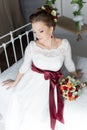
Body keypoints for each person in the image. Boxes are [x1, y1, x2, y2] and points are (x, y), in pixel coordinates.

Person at [2, 5, 82, 130]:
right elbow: (24, 66)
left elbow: (69, 62)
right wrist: (15, 82)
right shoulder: (32, 46)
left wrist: (75, 73)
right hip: (33, 79)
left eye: (41, 31)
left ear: (51, 29)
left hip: (52, 82)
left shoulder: (64, 44)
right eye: (34, 31)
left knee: (43, 109)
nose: (37, 35)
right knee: (22, 100)